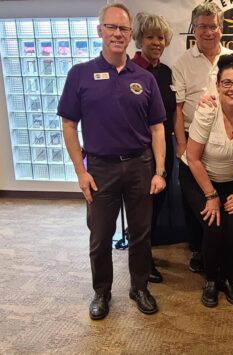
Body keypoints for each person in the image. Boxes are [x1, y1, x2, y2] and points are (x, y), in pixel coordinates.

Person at [58, 3, 167, 319]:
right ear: (100, 31)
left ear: (130, 34)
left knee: (141, 234)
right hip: (101, 168)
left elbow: (157, 127)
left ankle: (140, 287)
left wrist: (159, 170)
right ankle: (101, 292)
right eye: (112, 27)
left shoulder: (144, 78)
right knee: (100, 235)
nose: (118, 34)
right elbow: (68, 125)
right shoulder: (80, 74)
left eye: (123, 28)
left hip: (139, 166)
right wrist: (80, 171)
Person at [179, 53, 233, 308]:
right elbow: (192, 159)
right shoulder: (207, 110)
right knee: (214, 226)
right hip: (197, 176)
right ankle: (212, 280)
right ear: (217, 86)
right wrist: (211, 196)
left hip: (232, 180)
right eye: (227, 82)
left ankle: (228, 278)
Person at [172, 2, 233, 273]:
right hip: (191, 139)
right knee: (195, 203)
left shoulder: (232, 58)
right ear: (194, 30)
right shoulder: (182, 63)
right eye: (203, 27)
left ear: (221, 28)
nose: (209, 32)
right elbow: (177, 108)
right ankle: (198, 250)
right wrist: (182, 146)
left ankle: (227, 252)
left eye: (214, 26)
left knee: (225, 198)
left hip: (226, 139)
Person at [131, 12, 175, 284]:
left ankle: (144, 253)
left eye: (160, 37)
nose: (156, 42)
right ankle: (141, 261)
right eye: (150, 37)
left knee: (155, 206)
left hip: (164, 151)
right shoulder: (132, 71)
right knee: (142, 209)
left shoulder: (166, 72)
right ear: (139, 39)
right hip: (140, 153)